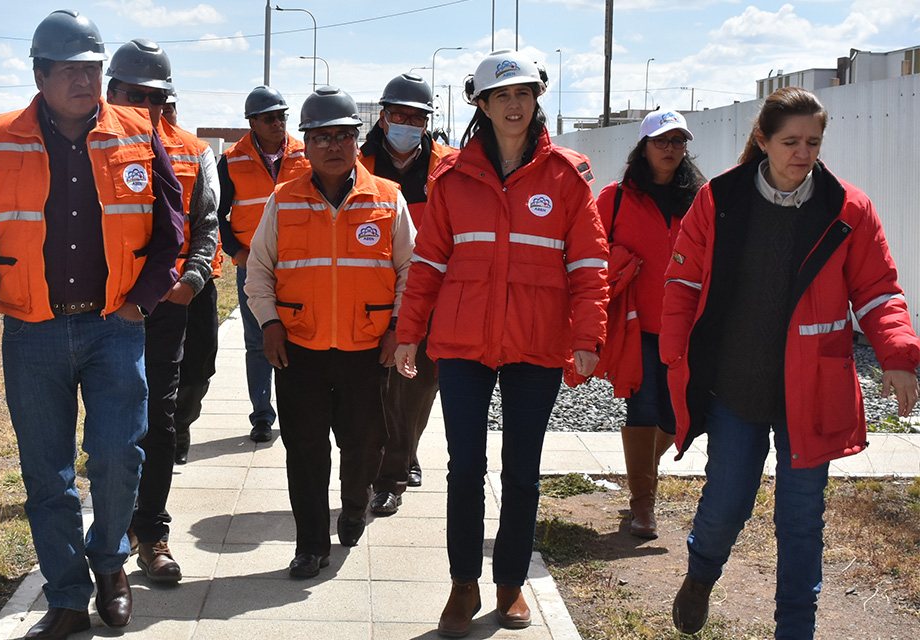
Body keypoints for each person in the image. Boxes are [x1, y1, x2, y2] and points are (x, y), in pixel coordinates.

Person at [0, 10, 183, 640]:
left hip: (114, 327)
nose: (86, 81)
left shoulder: (138, 132)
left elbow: (172, 229)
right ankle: (66, 596)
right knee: (46, 473)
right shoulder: (0, 140)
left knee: (115, 455)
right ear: (41, 74)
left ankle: (109, 562)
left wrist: (145, 298)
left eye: (94, 70)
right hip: (34, 333)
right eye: (73, 71)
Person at [662, 86, 920, 639]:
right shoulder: (720, 199)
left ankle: (795, 629)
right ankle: (701, 574)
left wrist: (897, 354)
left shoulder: (847, 208)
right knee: (726, 505)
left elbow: (878, 290)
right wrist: (676, 359)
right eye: (790, 142)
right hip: (738, 386)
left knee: (801, 520)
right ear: (762, 140)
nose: (803, 154)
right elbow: (682, 283)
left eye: (813, 142)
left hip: (814, 391)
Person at [394, 49, 608, 636]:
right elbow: (428, 265)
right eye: (501, 95)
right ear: (481, 105)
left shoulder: (567, 177)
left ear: (538, 99)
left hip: (536, 347)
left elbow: (590, 266)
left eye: (524, 93)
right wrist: (409, 333)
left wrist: (588, 337)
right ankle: (463, 584)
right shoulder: (452, 177)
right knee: (464, 467)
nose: (514, 105)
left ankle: (510, 584)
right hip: (462, 345)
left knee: (522, 473)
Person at [244, 86, 413, 579]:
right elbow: (258, 268)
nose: (333, 146)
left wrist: (398, 328)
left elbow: (411, 269)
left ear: (357, 140)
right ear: (306, 143)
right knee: (306, 450)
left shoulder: (387, 199)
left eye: (343, 136)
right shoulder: (284, 200)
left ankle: (355, 505)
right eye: (321, 138)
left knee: (363, 446)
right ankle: (311, 544)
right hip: (300, 349)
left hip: (367, 349)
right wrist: (269, 322)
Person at [105, 38, 219, 585]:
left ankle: (150, 534)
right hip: (99, 311)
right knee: (108, 427)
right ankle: (109, 536)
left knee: (160, 421)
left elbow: (206, 227)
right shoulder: (87, 145)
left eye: (154, 98)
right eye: (131, 94)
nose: (142, 107)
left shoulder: (192, 151)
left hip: (166, 309)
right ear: (111, 91)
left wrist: (192, 278)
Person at [594, 109, 705, 539]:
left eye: (678, 142)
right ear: (643, 146)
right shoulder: (615, 198)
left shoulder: (701, 198)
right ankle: (644, 507)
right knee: (642, 408)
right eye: (661, 141)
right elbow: (589, 256)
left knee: (677, 413)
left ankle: (645, 473)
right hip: (634, 324)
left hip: (686, 322)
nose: (671, 149)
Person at [360, 72, 455, 516]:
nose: (407, 123)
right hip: (372, 290)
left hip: (433, 293)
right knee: (379, 388)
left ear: (427, 122)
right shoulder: (360, 163)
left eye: (417, 117)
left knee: (418, 383)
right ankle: (389, 470)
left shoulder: (448, 167)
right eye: (399, 115)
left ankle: (404, 455)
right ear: (383, 117)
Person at [218, 86, 311, 443]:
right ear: (252, 122)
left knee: (301, 339)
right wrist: (239, 255)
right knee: (258, 342)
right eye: (269, 118)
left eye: (282, 116)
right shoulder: (232, 160)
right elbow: (218, 216)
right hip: (252, 267)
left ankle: (298, 411)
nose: (278, 123)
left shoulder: (305, 154)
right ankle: (261, 416)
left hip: (301, 266)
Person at [157, 90, 225, 467]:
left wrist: (193, 276)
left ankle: (181, 423)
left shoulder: (196, 151)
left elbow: (208, 212)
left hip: (194, 282)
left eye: (168, 106)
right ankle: (162, 436)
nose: (162, 113)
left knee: (199, 367)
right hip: (145, 288)